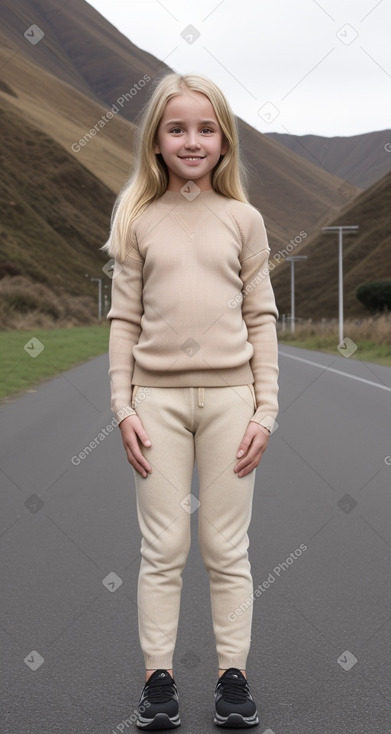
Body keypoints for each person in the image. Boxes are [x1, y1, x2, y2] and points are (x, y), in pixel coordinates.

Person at [101, 71, 279, 730]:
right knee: (163, 547)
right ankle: (158, 680)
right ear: (155, 141)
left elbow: (261, 318)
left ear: (224, 142)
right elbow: (123, 321)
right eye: (177, 128)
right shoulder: (137, 218)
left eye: (205, 129)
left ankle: (232, 677)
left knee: (225, 547)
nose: (192, 140)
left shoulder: (244, 219)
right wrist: (123, 408)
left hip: (233, 400)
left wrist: (264, 411)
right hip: (156, 405)